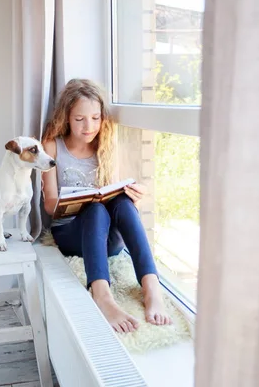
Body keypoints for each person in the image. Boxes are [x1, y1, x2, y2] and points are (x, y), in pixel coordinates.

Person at [41, 78, 171, 333]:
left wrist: (134, 193)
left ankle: (151, 286)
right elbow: (49, 205)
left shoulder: (106, 145)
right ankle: (102, 295)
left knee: (119, 202)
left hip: (106, 239)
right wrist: (77, 201)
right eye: (79, 119)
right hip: (70, 234)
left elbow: (113, 194)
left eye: (95, 118)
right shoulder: (52, 147)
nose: (88, 126)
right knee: (94, 208)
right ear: (66, 117)